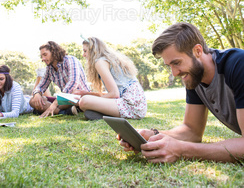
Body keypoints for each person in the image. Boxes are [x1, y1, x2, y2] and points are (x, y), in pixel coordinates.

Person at [119, 22, 244, 163]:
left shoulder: (238, 64)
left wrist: (182, 150)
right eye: (169, 66)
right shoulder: (195, 76)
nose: (175, 73)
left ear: (197, 51)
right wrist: (152, 135)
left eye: (177, 63)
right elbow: (192, 131)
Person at [73, 37, 147, 120]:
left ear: (93, 50)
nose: (83, 55)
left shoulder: (100, 62)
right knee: (86, 99)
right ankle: (105, 114)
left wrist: (91, 101)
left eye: (85, 51)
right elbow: (115, 93)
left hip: (130, 105)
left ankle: (103, 113)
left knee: (84, 101)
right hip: (139, 106)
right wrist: (89, 94)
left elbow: (114, 94)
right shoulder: (109, 59)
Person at [29, 41, 90, 117]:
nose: (43, 58)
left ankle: (54, 109)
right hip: (63, 100)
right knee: (32, 101)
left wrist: (54, 104)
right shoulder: (49, 69)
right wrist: (37, 94)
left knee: (70, 95)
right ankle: (63, 112)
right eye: (41, 56)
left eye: (45, 54)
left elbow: (73, 83)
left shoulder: (70, 60)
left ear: (54, 52)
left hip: (78, 97)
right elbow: (41, 85)